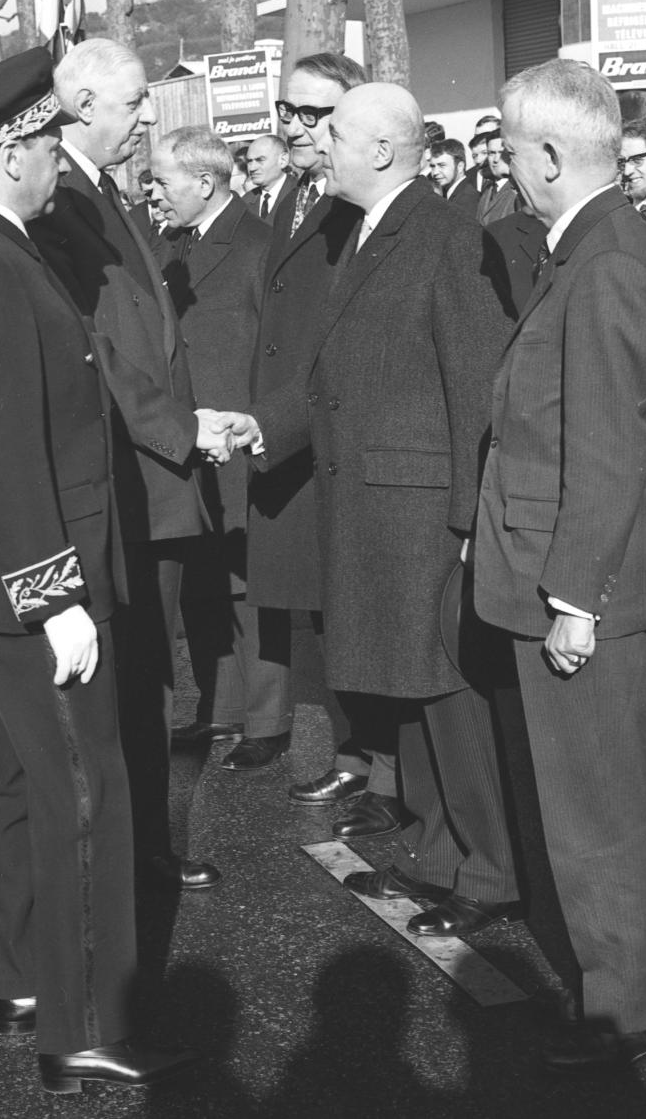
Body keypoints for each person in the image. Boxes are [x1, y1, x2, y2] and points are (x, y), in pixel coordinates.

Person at [0, 47, 196, 1094]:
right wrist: (57, 596)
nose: (52, 165)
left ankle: (28, 976)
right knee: (91, 790)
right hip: (43, 574)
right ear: (17, 154)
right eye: (43, 149)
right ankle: (88, 1019)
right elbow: (2, 445)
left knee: (21, 779)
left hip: (23, 572)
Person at [243, 81, 521, 937]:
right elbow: (332, 370)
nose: (316, 145)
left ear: (382, 150)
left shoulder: (448, 237)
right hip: (373, 506)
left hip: (425, 514)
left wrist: (475, 524)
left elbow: (478, 392)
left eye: (332, 133)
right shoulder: (361, 230)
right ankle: (441, 859)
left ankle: (491, 876)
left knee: (448, 696)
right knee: (410, 697)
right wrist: (259, 427)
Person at [474, 58, 646, 1073]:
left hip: (586, 585)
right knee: (599, 802)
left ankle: (629, 1011)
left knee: (598, 812)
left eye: (513, 154)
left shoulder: (600, 264)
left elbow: (604, 446)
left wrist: (573, 598)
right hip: (591, 572)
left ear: (552, 156)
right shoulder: (602, 244)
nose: (505, 171)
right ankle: (626, 994)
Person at [33, 36, 226, 892]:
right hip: (135, 473)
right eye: (135, 101)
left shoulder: (98, 190)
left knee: (150, 674)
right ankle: (132, 854)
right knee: (132, 682)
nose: (148, 115)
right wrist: (183, 432)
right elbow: (102, 348)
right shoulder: (63, 198)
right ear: (82, 107)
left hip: (157, 470)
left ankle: (142, 844)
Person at [249, 53, 399, 829]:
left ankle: (373, 768)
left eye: (318, 115)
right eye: (290, 110)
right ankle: (356, 756)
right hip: (292, 423)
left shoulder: (359, 202)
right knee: (325, 608)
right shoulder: (296, 192)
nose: (298, 126)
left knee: (355, 608)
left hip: (330, 430)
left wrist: (279, 419)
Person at [151, 127, 280, 768]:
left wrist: (256, 427)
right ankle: (219, 708)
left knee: (248, 584)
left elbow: (275, 353)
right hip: (189, 440)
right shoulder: (170, 247)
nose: (153, 193)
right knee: (204, 580)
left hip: (238, 439)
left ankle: (265, 721)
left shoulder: (259, 244)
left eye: (162, 182)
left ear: (205, 182)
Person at [244, 133, 295, 220]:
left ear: (283, 160)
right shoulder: (246, 201)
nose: (252, 168)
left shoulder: (300, 193)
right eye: (249, 161)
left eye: (260, 160)